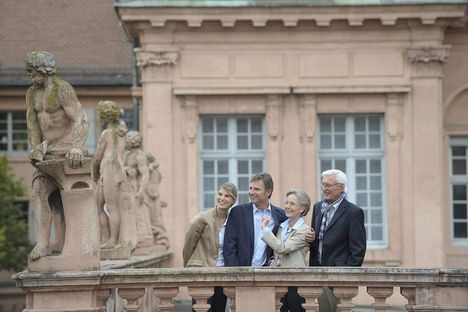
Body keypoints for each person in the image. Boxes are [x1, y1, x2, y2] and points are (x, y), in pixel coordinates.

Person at [25, 51, 89, 260]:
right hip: (47, 151)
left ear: (43, 70)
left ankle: (66, 243)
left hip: (68, 148)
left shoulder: (63, 89)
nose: (30, 77)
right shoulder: (32, 94)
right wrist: (35, 147)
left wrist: (78, 147)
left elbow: (81, 118)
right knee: (39, 192)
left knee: (63, 197)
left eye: (32, 72)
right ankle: (43, 244)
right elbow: (33, 124)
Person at [308, 169, 366, 312]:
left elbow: (358, 250)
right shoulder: (318, 207)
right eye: (323, 184)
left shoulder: (354, 212)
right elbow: (317, 240)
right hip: (318, 273)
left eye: (328, 185)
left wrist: (345, 275)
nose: (324, 188)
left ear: (340, 187)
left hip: (339, 277)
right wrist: (311, 239)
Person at [183, 182, 238, 312]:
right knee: (200, 309)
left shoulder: (233, 221)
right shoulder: (202, 218)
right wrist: (189, 268)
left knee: (219, 309)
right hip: (202, 273)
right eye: (220, 194)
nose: (222, 198)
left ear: (233, 201)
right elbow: (188, 246)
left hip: (222, 274)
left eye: (227, 196)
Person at [261, 189, 311, 312]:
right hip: (279, 280)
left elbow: (282, 248)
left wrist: (264, 229)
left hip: (296, 282)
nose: (287, 207)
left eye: (292, 204)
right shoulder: (282, 226)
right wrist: (272, 261)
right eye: (286, 202)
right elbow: (277, 252)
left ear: (302, 209)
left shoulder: (304, 230)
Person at [223, 172, 287, 267]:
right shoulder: (237, 212)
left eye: (256, 189)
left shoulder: (281, 215)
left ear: (268, 192)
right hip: (241, 274)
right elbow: (229, 247)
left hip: (268, 275)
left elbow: (285, 242)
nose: (251, 192)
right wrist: (236, 274)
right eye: (250, 188)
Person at [93, 100, 127, 248]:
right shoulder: (118, 132)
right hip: (108, 170)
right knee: (98, 205)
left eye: (100, 112)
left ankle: (113, 240)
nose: (99, 115)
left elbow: (98, 155)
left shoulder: (108, 133)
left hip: (110, 170)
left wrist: (94, 170)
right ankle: (107, 239)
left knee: (111, 206)